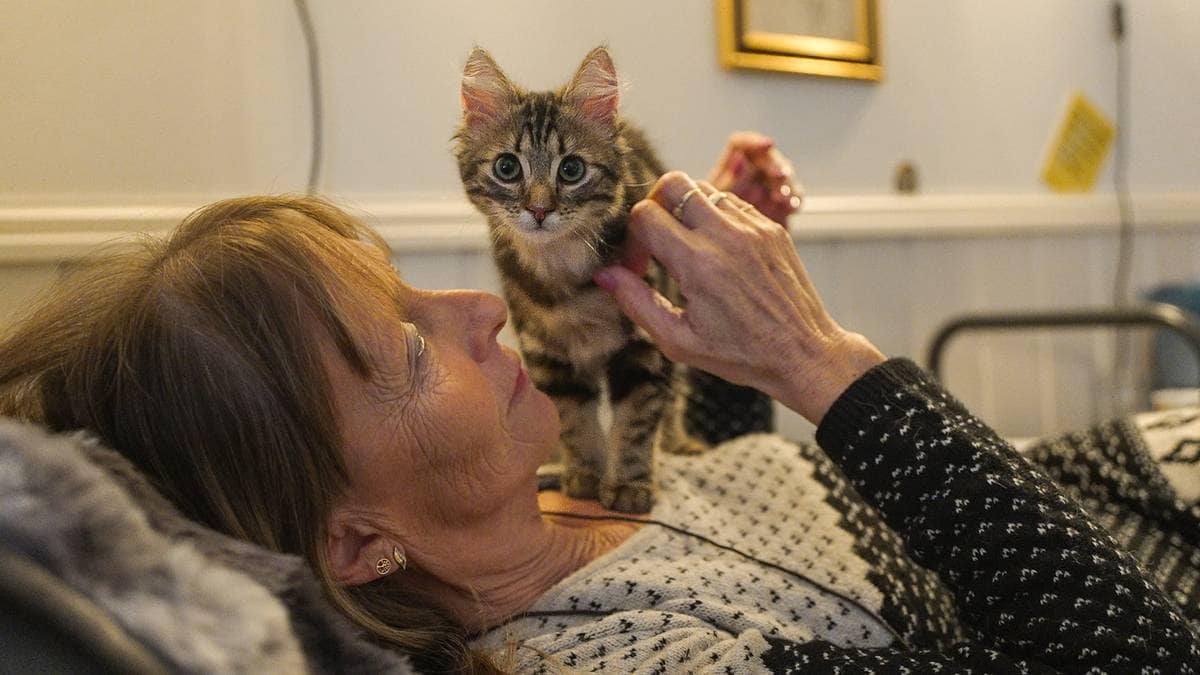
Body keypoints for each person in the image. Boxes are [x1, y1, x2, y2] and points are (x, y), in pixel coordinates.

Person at [0, 136, 1196, 674]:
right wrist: (824, 366)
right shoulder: (645, 659)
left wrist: (719, 336)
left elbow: (748, 503)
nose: (478, 307)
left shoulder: (558, 497)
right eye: (409, 348)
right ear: (358, 544)